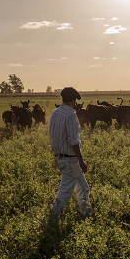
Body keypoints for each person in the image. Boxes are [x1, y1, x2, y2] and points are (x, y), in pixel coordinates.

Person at [49, 86, 92, 219]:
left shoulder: (55, 113)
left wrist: (57, 157)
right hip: (71, 160)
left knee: (83, 188)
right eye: (75, 101)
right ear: (73, 100)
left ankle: (86, 215)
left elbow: (52, 136)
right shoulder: (71, 115)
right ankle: (53, 218)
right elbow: (73, 141)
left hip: (61, 157)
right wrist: (81, 161)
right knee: (65, 190)